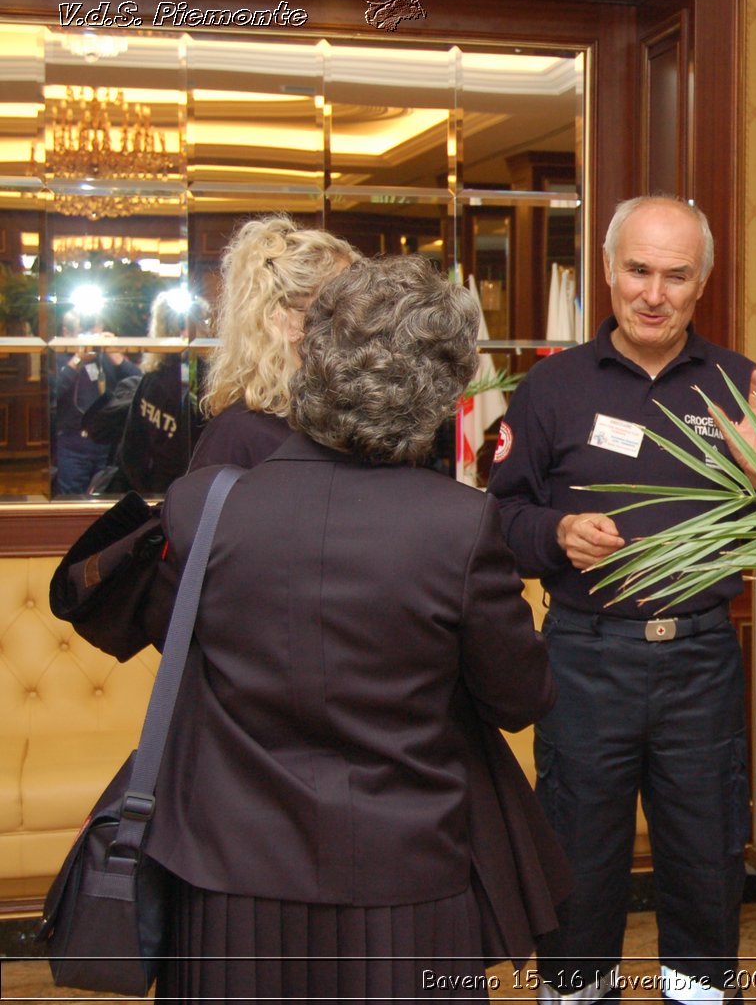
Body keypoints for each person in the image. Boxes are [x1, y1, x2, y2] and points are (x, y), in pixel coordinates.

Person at [78, 256, 561, 999]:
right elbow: (518, 700)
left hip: (227, 877)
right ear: (440, 391)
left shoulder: (205, 504)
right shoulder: (460, 527)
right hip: (407, 880)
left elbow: (152, 629)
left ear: (311, 359)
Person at [487, 195, 756, 1005]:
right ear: (608, 271)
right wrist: (555, 534)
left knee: (704, 862)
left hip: (701, 656)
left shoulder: (739, 384)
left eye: (676, 275)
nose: (654, 293)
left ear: (703, 284)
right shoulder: (553, 386)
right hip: (586, 658)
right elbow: (500, 519)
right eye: (638, 271)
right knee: (580, 865)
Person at [189, 214, 359, 470]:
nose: (363, 318)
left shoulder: (346, 421)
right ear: (288, 321)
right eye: (345, 305)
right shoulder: (238, 435)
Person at [98, 291, 211, 495]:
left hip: (156, 491)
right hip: (185, 494)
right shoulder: (203, 381)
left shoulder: (153, 378)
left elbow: (132, 447)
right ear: (188, 329)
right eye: (204, 320)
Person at [52, 309, 140, 495]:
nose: (91, 339)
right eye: (84, 333)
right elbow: (53, 393)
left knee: (106, 497)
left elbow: (139, 384)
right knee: (71, 500)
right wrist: (77, 360)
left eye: (95, 333)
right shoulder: (58, 356)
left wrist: (115, 354)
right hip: (71, 442)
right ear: (66, 334)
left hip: (106, 443)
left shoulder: (105, 357)